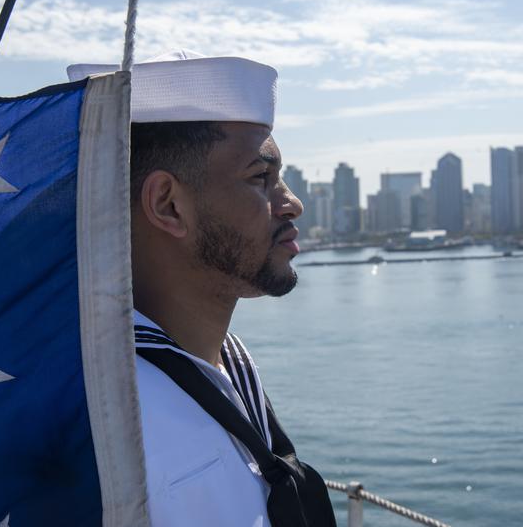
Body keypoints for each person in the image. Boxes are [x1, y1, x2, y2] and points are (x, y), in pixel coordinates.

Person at [68, 51, 336, 526]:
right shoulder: (108, 422)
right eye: (261, 177)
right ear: (169, 205)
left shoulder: (222, 364)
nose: (291, 203)